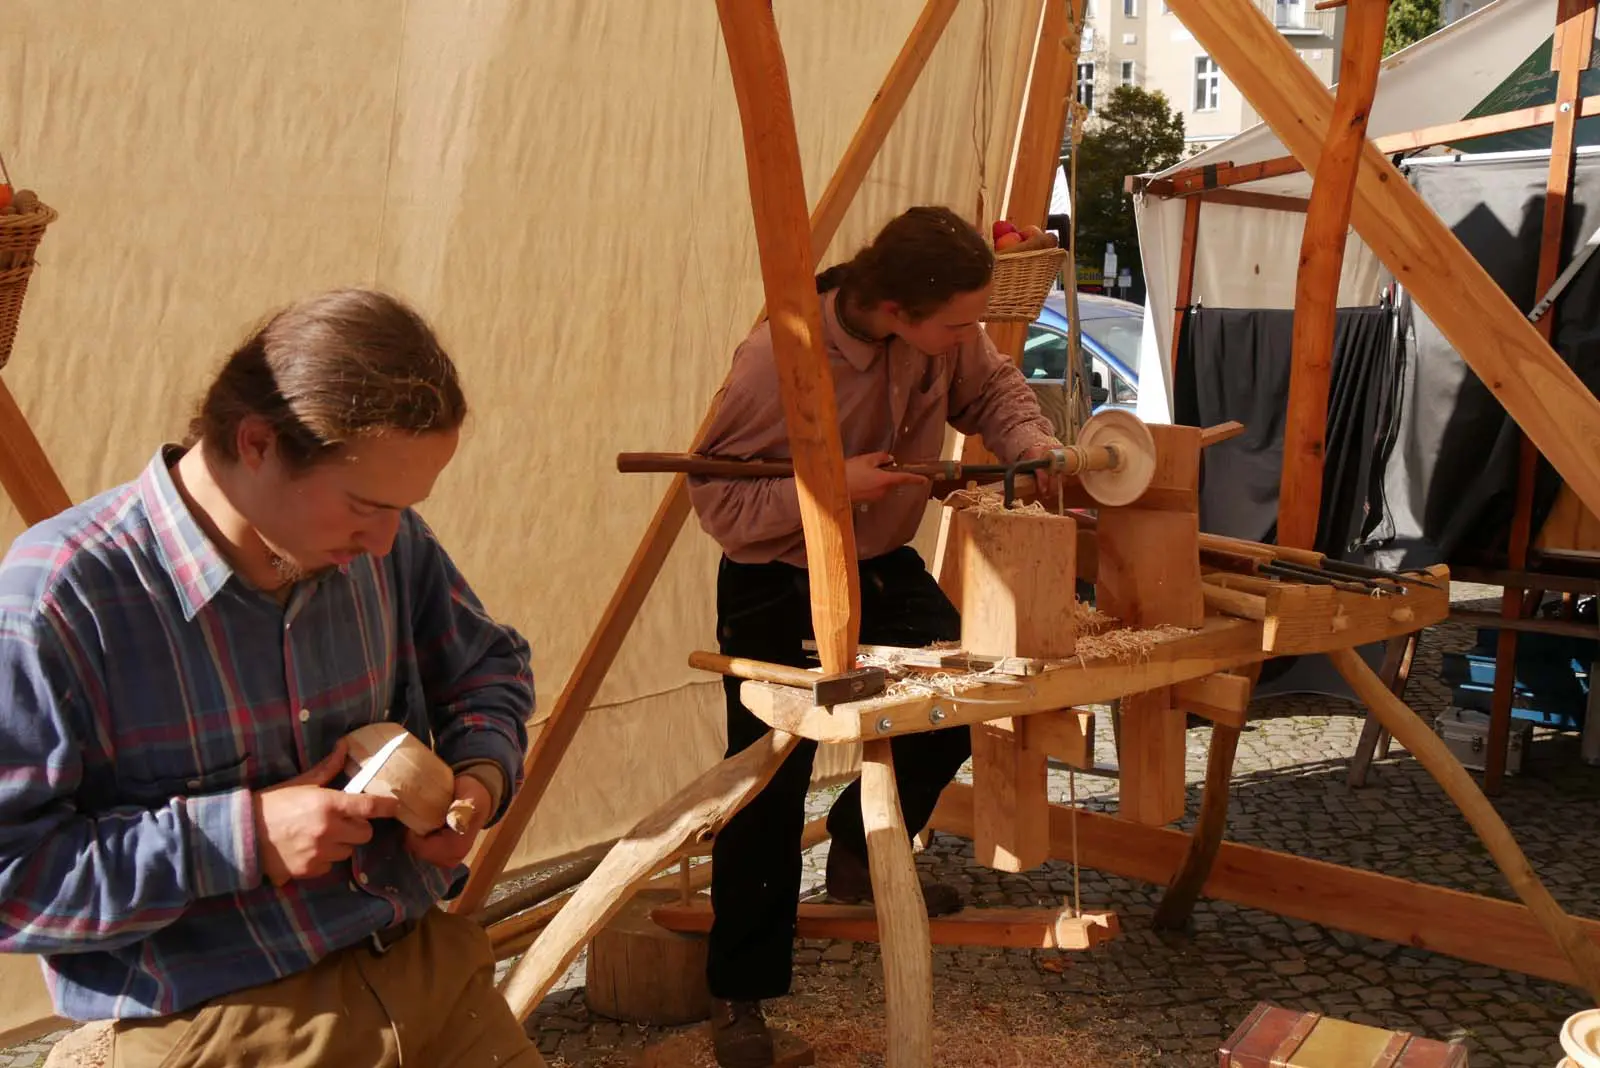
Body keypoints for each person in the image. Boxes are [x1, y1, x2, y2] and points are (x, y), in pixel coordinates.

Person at [0, 289, 544, 1067]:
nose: (387, 539)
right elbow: (11, 878)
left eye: (404, 508)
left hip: (427, 974)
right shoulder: (60, 597)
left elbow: (488, 667)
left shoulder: (385, 545)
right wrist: (243, 837)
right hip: (220, 1021)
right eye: (364, 504)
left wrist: (479, 778)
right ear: (256, 442)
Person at [687, 205, 1064, 1068]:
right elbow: (720, 504)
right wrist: (828, 487)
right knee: (768, 779)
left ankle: (858, 851)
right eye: (960, 322)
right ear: (896, 310)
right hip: (775, 575)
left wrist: (1030, 445)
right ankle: (740, 993)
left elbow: (995, 390)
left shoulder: (948, 330)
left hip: (880, 563)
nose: (973, 335)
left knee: (965, 696)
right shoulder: (773, 362)